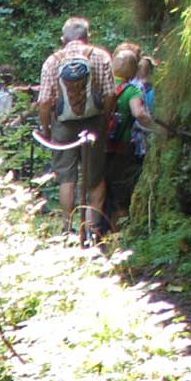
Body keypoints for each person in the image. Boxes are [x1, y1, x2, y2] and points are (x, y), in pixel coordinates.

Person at [35, 18, 117, 236]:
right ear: (87, 37)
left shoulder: (53, 61)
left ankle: (68, 228)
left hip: (63, 125)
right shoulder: (100, 56)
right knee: (95, 178)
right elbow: (110, 95)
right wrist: (104, 120)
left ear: (64, 39)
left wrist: (46, 129)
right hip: (93, 123)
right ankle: (92, 231)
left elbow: (44, 102)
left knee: (66, 177)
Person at [104, 42, 154, 226]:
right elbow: (139, 113)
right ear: (134, 71)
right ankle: (118, 233)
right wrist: (156, 127)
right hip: (121, 147)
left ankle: (96, 229)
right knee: (120, 190)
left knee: (99, 187)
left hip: (97, 145)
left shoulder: (102, 84)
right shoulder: (132, 89)